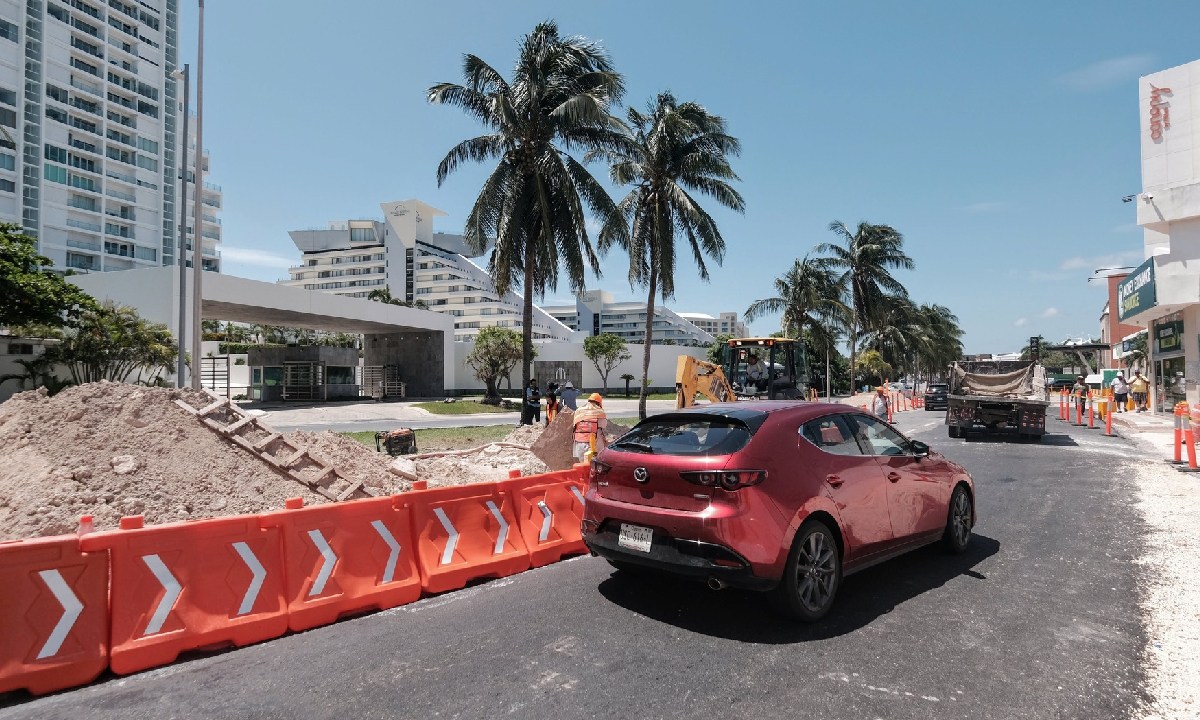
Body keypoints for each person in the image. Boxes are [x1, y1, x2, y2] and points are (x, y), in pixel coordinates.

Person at [572, 393, 608, 461]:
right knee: (592, 468)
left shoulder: (579, 411)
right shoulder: (599, 412)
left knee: (583, 466)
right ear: (599, 403)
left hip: (578, 444)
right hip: (591, 445)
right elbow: (604, 425)